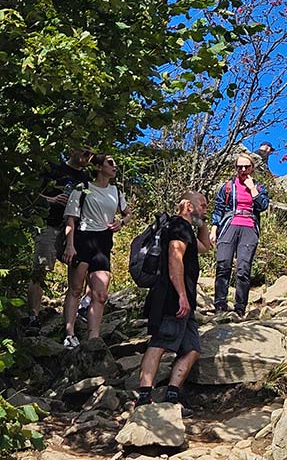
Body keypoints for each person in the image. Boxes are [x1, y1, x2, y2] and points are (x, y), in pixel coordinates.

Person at [135, 191, 212, 417]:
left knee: (192, 349)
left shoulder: (186, 228)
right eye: (202, 205)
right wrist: (181, 294)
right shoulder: (178, 226)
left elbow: (206, 246)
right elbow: (174, 258)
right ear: (189, 205)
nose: (205, 209)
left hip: (182, 298)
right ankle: (144, 397)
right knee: (160, 342)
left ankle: (171, 396)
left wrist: (203, 221)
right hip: (172, 296)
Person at [62, 154, 130, 348]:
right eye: (110, 163)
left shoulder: (116, 191)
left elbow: (128, 214)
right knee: (75, 289)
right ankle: (69, 333)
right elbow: (71, 220)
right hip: (83, 239)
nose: (114, 166)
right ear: (99, 167)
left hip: (103, 242)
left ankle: (94, 339)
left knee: (100, 294)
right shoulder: (83, 188)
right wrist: (70, 244)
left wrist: (121, 222)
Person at [27, 148, 93, 335]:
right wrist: (52, 199)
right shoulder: (54, 170)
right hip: (49, 224)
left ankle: (75, 317)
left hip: (75, 229)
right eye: (85, 152)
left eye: (90, 154)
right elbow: (32, 194)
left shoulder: (85, 179)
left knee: (83, 269)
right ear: (72, 150)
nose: (87, 157)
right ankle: (33, 317)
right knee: (41, 270)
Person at [210, 154, 270, 316]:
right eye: (240, 167)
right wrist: (214, 229)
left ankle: (240, 307)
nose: (243, 170)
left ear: (252, 168)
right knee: (223, 265)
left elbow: (263, 205)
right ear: (235, 168)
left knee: (243, 269)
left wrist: (252, 189)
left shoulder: (259, 187)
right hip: (229, 226)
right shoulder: (228, 186)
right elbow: (218, 208)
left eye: (247, 167)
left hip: (249, 228)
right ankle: (220, 304)